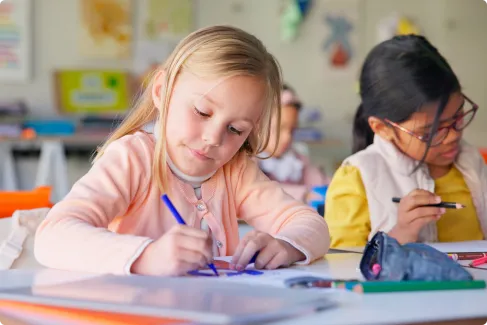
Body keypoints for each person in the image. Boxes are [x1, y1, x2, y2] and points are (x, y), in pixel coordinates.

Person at [34, 25, 330, 276]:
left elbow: (312, 225)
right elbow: (52, 236)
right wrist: (146, 256)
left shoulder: (236, 170)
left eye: (236, 129)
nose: (214, 138)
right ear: (163, 91)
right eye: (202, 112)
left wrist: (286, 245)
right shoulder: (132, 159)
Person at [324, 34, 487, 248]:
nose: (454, 135)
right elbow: (341, 268)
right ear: (382, 128)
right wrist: (400, 234)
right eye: (430, 132)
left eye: (458, 117)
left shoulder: (470, 161)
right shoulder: (357, 179)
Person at [258, 83, 328, 202]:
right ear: (258, 124)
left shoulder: (296, 158)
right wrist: (304, 194)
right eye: (280, 128)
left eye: (293, 129)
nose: (287, 137)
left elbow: (318, 180)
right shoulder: (249, 161)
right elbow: (259, 190)